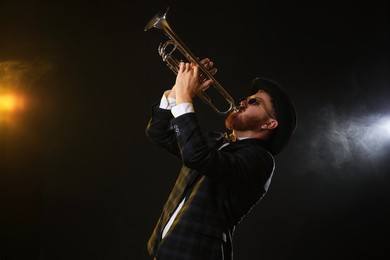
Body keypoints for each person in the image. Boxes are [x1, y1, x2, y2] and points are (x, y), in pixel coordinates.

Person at [145, 58, 297, 260]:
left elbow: (195, 155)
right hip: (163, 251)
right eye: (247, 97)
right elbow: (159, 133)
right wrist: (176, 90)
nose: (243, 102)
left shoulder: (261, 161)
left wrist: (185, 96)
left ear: (270, 124)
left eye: (254, 102)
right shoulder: (215, 141)